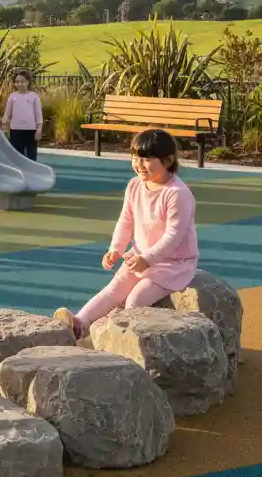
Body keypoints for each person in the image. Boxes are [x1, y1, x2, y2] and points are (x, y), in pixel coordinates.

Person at [54, 129, 199, 341]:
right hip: (138, 256)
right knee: (114, 289)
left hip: (173, 264)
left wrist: (147, 260)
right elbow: (126, 220)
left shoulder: (177, 194)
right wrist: (116, 249)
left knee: (135, 300)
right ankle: (79, 324)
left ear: (168, 161)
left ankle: (129, 345)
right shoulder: (135, 186)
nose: (139, 164)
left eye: (146, 159)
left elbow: (173, 236)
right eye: (135, 157)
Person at [1, 70, 43, 161]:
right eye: (17, 82)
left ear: (28, 82)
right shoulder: (12, 97)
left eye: (22, 81)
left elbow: (38, 115)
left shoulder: (34, 97)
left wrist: (39, 130)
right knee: (16, 155)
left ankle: (31, 171)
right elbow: (7, 114)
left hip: (30, 131)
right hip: (15, 131)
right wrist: (4, 128)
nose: (20, 84)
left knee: (31, 154)